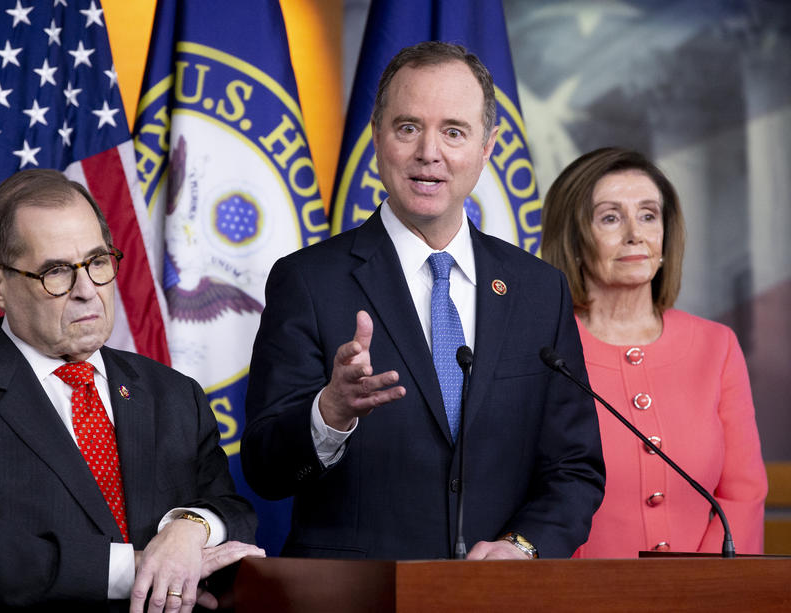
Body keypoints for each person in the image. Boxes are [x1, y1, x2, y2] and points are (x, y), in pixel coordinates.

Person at [241, 41, 605, 560]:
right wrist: (330, 413)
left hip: (493, 593)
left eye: (454, 131)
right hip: (354, 592)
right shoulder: (307, 281)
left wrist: (522, 547)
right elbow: (264, 469)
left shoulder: (539, 290)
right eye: (408, 127)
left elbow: (574, 467)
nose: (429, 152)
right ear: (376, 136)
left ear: (487, 147)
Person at [0, 169, 263, 612]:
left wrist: (189, 528)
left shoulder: (175, 394)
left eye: (97, 262)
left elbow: (231, 510)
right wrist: (143, 567)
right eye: (56, 271)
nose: (87, 291)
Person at [541, 147, 768, 557]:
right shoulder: (543, 351)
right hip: (579, 589)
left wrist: (703, 586)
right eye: (610, 218)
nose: (636, 234)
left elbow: (743, 494)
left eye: (648, 215)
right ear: (573, 238)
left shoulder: (717, 346)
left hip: (707, 589)